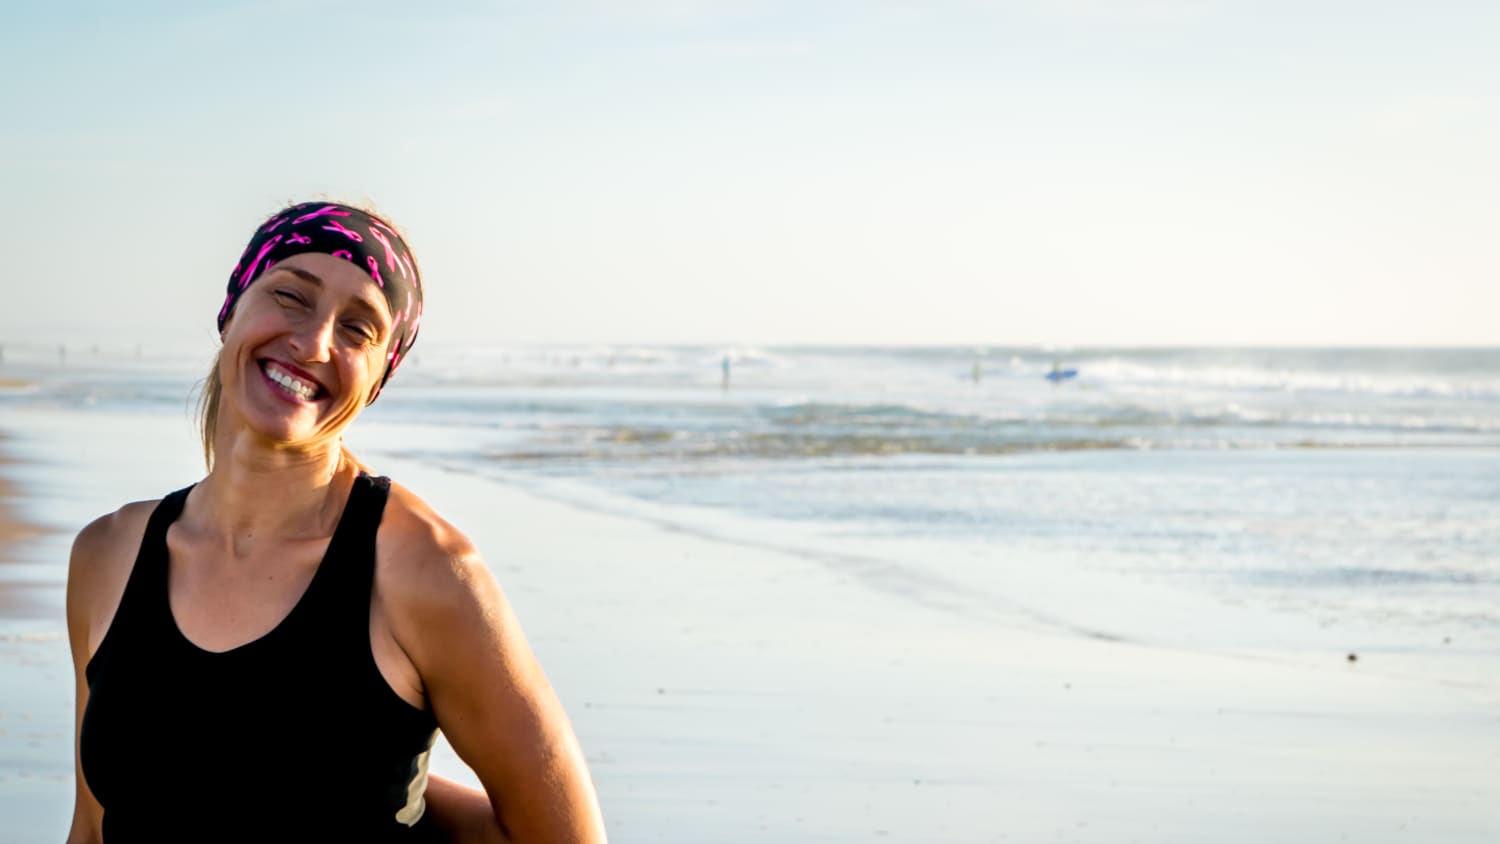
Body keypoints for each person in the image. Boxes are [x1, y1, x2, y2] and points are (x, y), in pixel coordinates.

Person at [64, 201, 607, 843]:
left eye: (359, 329)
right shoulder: (109, 556)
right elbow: (95, 825)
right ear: (231, 308)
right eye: (291, 296)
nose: (314, 342)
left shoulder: (424, 571)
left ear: (378, 377)